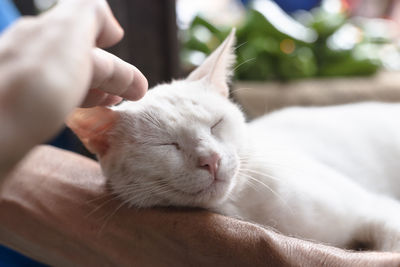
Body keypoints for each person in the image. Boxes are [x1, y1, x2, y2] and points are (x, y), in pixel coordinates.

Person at [0, 0, 399, 265]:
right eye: (167, 145)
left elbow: (384, 218)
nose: (211, 157)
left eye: (217, 126)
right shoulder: (110, 132)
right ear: (101, 141)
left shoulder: (281, 183)